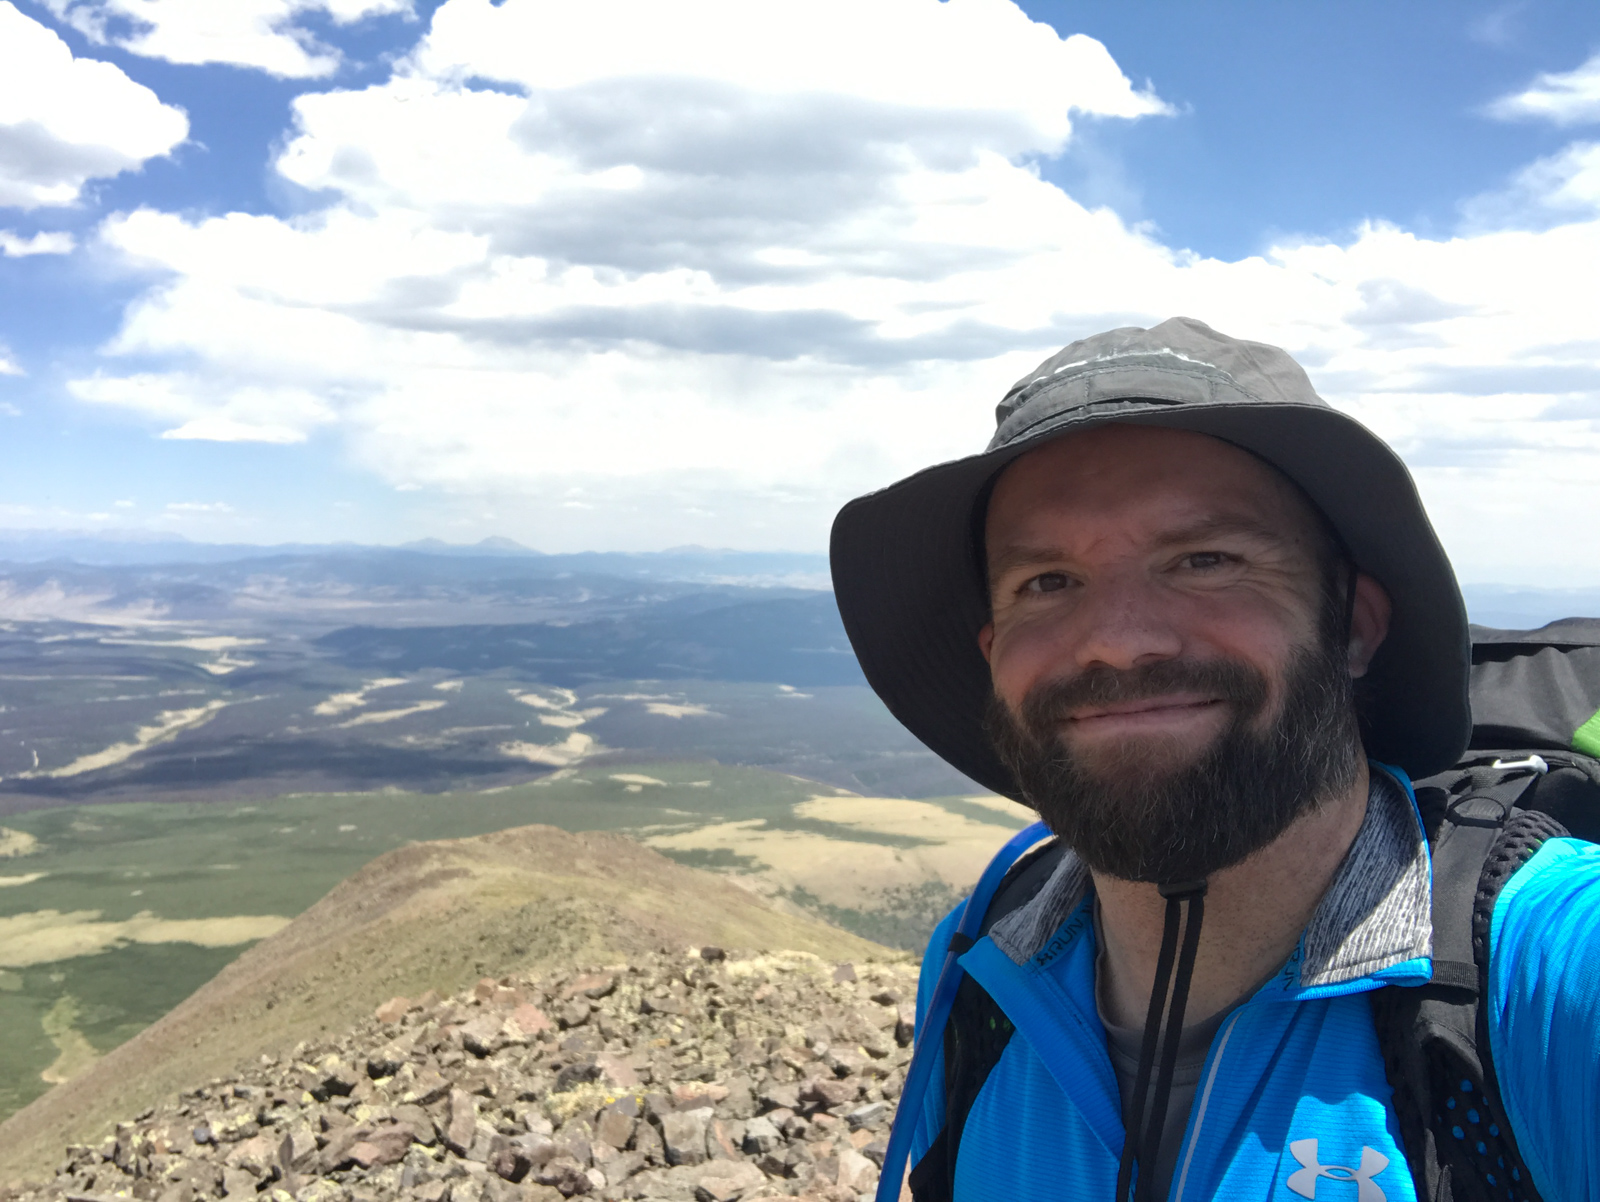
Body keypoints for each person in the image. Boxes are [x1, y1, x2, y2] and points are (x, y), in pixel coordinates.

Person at [829, 318, 1600, 1202]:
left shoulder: (1541, 982)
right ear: (994, 652)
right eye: (1047, 582)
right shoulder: (979, 959)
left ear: (1351, 626)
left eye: (1205, 559)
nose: (1117, 644)